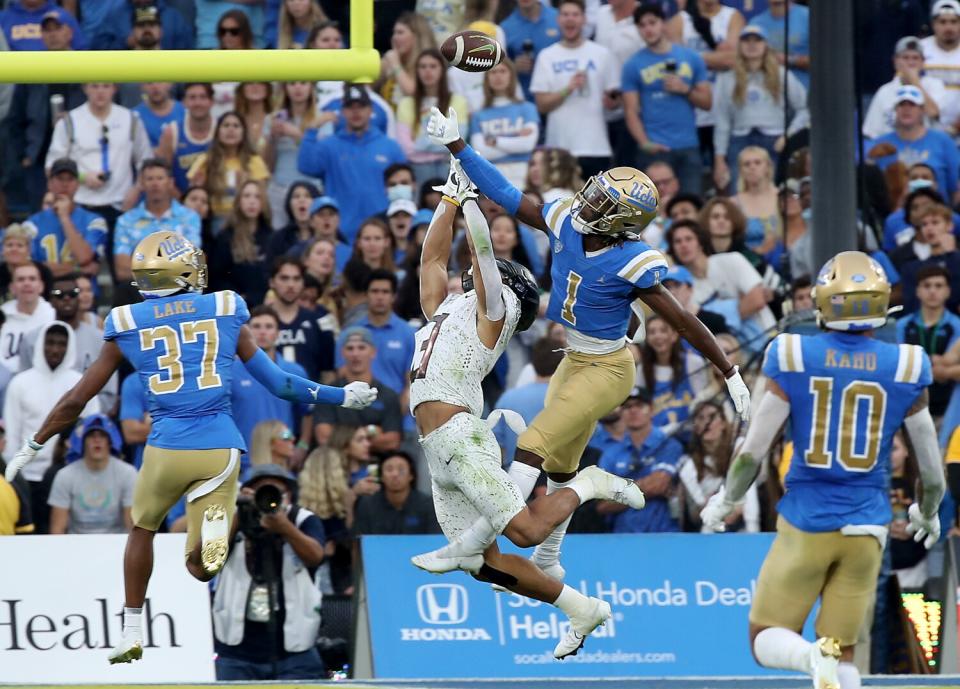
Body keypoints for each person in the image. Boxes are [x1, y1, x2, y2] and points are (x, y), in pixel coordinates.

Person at [3, 231, 377, 664]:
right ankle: (212, 536)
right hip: (218, 446)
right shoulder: (225, 307)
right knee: (203, 569)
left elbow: (76, 399)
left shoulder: (127, 321)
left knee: (142, 530)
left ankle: (130, 630)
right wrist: (341, 395)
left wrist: (33, 443)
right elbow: (281, 383)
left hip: (164, 449)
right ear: (181, 270)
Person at [425, 102, 749, 583]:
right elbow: (507, 194)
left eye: (603, 204)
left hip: (610, 370)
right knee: (560, 466)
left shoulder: (633, 261)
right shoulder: (564, 220)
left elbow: (683, 320)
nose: (588, 204)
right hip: (574, 359)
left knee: (532, 445)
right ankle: (549, 557)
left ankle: (473, 541)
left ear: (623, 223)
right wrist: (458, 145)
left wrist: (729, 370)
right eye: (594, 193)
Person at [406, 160, 646, 659]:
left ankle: (590, 483)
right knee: (481, 562)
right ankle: (580, 608)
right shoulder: (448, 312)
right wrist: (449, 201)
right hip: (436, 447)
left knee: (526, 531)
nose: (466, 276)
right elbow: (430, 263)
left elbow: (485, 254)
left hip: (462, 437)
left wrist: (470, 200)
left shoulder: (493, 314)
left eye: (473, 275)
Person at [700, 251, 945, 689]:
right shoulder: (906, 363)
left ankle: (811, 656)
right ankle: (823, 656)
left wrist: (726, 499)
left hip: (808, 520)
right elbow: (931, 471)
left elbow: (751, 452)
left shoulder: (794, 353)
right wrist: (927, 512)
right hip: (869, 526)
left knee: (763, 640)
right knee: (843, 654)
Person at [212, 463, 327, 680]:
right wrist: (237, 513)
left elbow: (315, 556)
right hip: (235, 652)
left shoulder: (303, 519)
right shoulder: (232, 519)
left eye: (275, 492)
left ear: (289, 496)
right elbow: (204, 563)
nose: (268, 499)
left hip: (295, 652)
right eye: (260, 492)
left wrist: (285, 528)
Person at [298, 84, 407, 243]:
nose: (356, 112)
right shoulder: (329, 145)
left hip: (380, 233)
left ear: (371, 110)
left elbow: (404, 186)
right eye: (350, 107)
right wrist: (312, 129)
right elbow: (305, 166)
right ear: (342, 111)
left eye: (361, 106)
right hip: (342, 234)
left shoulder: (390, 147)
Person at [623, 4, 712, 195]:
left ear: (663, 24)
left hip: (688, 144)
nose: (648, 29)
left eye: (652, 23)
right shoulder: (633, 64)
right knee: (653, 208)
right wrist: (644, 143)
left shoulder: (691, 58)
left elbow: (707, 102)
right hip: (655, 148)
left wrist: (685, 89)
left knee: (691, 203)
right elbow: (630, 111)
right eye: (642, 25)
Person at [44, 82, 154, 231]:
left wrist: (136, 190)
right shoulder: (69, 122)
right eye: (94, 86)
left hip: (121, 205)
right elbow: (51, 167)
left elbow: (146, 161)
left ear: (114, 88)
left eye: (106, 86)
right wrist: (82, 177)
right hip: (80, 205)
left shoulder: (130, 119)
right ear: (85, 88)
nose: (100, 92)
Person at [712, 24, 808, 192]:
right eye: (746, 40)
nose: (752, 44)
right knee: (738, 191)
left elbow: (804, 108)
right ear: (740, 46)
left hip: (774, 139)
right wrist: (719, 159)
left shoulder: (781, 74)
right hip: (739, 139)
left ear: (766, 46)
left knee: (773, 191)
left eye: (757, 40)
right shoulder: (727, 78)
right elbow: (722, 120)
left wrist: (788, 135)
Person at [531, 0, 619, 180]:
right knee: (563, 206)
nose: (570, 19)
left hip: (596, 147)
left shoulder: (602, 54)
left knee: (597, 207)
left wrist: (613, 102)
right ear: (558, 20)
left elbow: (615, 100)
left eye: (575, 14)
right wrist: (567, 89)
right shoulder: (547, 56)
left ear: (584, 19)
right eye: (565, 14)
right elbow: (542, 105)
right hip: (559, 148)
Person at [231, 306, 313, 475]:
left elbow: (307, 412)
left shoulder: (294, 371)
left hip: (281, 460)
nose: (262, 332)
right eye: (257, 326)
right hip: (242, 461)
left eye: (269, 327)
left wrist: (303, 445)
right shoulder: (230, 371)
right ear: (247, 332)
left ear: (278, 333)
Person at [19, 274, 119, 411]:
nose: (66, 298)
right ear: (50, 300)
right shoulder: (32, 339)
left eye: (72, 294)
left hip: (86, 420)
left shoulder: (101, 340)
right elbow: (22, 385)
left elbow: (108, 394)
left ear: (79, 298)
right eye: (59, 294)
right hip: (40, 415)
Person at [596, 387, 684, 532]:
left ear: (651, 409)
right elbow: (602, 505)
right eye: (627, 407)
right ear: (621, 413)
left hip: (665, 534)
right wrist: (647, 485)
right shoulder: (611, 454)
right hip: (623, 536)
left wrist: (619, 492)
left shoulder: (668, 444)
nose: (633, 411)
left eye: (640, 405)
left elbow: (658, 484)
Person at [314, 327, 403, 453]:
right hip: (338, 463)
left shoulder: (388, 395)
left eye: (361, 348)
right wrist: (370, 432)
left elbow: (393, 441)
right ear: (342, 353)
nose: (355, 354)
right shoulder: (329, 392)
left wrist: (342, 435)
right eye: (350, 348)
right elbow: (323, 437)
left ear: (373, 352)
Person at [678, 400, 759, 532]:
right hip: (712, 523)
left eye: (712, 417)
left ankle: (753, 533)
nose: (707, 423)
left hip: (742, 522)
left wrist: (735, 508)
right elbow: (697, 512)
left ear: (722, 423)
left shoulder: (739, 446)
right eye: (701, 418)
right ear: (695, 427)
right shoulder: (688, 467)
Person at [48, 414, 136, 534]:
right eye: (91, 435)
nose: (97, 440)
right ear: (82, 442)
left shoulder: (128, 473)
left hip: (116, 544)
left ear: (110, 442)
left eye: (103, 436)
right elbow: (57, 529)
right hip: (76, 545)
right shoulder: (65, 476)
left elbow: (131, 526)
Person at [872, 86, 960, 206]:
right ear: (895, 110)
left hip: (937, 214)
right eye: (901, 105)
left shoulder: (944, 141)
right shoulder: (879, 145)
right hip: (893, 214)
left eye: (912, 105)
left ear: (922, 110)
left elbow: (956, 187)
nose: (906, 109)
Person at [336, 269, 415, 401]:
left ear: (394, 296)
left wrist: (394, 415)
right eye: (374, 291)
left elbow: (412, 384)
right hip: (357, 411)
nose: (380, 297)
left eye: (385, 292)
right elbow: (342, 377)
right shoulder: (348, 333)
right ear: (366, 295)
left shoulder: (409, 334)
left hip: (397, 412)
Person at [24, 158, 106, 281]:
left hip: (82, 293)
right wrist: (77, 269)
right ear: (49, 184)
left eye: (70, 179)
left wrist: (64, 217)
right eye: (60, 179)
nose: (65, 184)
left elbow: (84, 257)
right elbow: (34, 268)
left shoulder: (95, 222)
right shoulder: (32, 224)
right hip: (45, 291)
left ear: (77, 184)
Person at [397, 48, 469, 185]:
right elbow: (406, 147)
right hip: (417, 168)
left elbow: (458, 140)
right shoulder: (406, 104)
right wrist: (441, 143)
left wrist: (420, 144)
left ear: (442, 70)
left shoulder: (458, 101)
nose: (427, 71)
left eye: (433, 66)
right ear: (417, 71)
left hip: (449, 167)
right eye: (422, 67)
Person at [896, 265, 960, 419]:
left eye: (938, 286)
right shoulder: (903, 325)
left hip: (947, 409)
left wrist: (945, 368)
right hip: (909, 408)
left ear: (948, 291)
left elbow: (948, 363)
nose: (932, 291)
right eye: (927, 285)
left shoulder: (956, 325)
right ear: (917, 291)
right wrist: (937, 363)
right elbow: (898, 363)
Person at [187, 112, 270, 227]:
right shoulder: (205, 160)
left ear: (243, 132)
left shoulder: (254, 161)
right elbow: (192, 194)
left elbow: (261, 196)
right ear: (217, 132)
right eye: (226, 126)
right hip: (215, 219)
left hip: (245, 220)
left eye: (236, 126)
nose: (231, 130)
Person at [469, 59, 540, 189]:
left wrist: (495, 141)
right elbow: (481, 152)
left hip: (523, 173)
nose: (498, 76)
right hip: (490, 176)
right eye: (493, 72)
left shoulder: (527, 108)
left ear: (511, 76)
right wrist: (515, 139)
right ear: (487, 78)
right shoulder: (478, 115)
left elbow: (528, 144)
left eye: (503, 71)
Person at [863, 36, 947, 141]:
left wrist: (915, 81)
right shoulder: (884, 91)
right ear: (895, 61)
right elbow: (872, 133)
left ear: (922, 62)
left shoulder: (935, 85)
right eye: (905, 58)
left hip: (928, 151)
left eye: (915, 58)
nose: (911, 63)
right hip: (892, 150)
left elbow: (933, 113)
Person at [267, 258, 336, 383]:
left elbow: (328, 372)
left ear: (303, 283)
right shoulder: (256, 321)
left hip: (310, 398)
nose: (291, 285)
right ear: (272, 282)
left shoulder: (320, 321)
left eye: (296, 279)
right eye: (284, 278)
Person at [208, 180, 272, 306]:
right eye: (247, 196)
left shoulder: (272, 236)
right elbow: (217, 277)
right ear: (239, 201)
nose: (252, 201)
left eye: (257, 197)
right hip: (236, 305)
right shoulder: (226, 237)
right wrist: (237, 297)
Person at [352, 450, 440, 535]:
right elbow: (360, 541)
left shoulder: (428, 504)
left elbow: (436, 541)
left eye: (401, 469)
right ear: (381, 476)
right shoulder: (367, 504)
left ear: (411, 475)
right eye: (389, 469)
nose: (395, 474)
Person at [156, 83, 215, 195]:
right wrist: (184, 205)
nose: (198, 103)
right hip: (181, 203)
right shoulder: (172, 132)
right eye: (192, 98)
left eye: (203, 97)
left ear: (212, 102)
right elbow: (162, 175)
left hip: (217, 204)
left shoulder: (221, 130)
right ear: (184, 102)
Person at [0, 262, 55, 373]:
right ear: (12, 288)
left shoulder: (54, 315)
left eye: (32, 279)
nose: (26, 283)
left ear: (41, 286)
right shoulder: (2, 314)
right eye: (21, 279)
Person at [500, 0, 561, 99]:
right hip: (525, 99)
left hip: (556, 96)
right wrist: (514, 67)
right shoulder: (505, 28)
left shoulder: (559, 17)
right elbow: (499, 68)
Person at [749, 0, 809, 89]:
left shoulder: (808, 16)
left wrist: (790, 60)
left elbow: (826, 61)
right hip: (768, 92)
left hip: (805, 89)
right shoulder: (755, 23)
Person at [921, 0, 960, 135]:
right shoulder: (920, 50)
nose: (948, 27)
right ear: (933, 24)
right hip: (924, 132)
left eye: (954, 22)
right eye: (942, 22)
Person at [134, 82, 184, 148]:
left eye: (160, 81)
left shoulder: (185, 111)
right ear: (142, 86)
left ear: (170, 83)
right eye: (149, 83)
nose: (155, 87)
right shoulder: (134, 117)